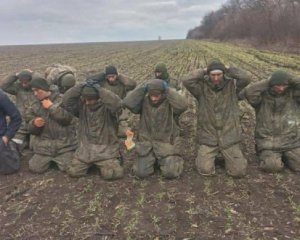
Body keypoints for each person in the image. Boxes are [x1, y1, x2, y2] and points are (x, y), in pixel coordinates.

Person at [183, 59, 250, 177]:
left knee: (239, 172)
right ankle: (211, 155)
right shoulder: (201, 89)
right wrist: (204, 70)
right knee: (204, 170)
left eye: (219, 74)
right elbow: (186, 80)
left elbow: (246, 77)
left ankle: (229, 155)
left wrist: (228, 69)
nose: (216, 78)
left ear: (223, 74)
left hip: (229, 136)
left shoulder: (232, 87)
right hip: (209, 137)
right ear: (208, 74)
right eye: (212, 75)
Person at [123, 79, 188, 179]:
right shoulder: (143, 103)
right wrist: (143, 89)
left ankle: (173, 159)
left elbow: (183, 105)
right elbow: (127, 102)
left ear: (163, 93)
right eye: (151, 95)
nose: (153, 98)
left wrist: (168, 90)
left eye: (157, 95)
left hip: (166, 145)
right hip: (147, 146)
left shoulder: (170, 104)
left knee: (171, 173)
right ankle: (153, 161)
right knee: (141, 173)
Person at [63, 79, 124, 180]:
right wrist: (81, 86)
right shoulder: (81, 108)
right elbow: (66, 101)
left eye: (91, 99)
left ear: (98, 98)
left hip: (106, 152)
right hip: (85, 151)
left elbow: (118, 104)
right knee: (73, 172)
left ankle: (107, 163)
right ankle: (91, 164)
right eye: (85, 99)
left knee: (112, 174)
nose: (87, 102)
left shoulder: (108, 109)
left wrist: (100, 90)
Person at [242, 70, 300, 172]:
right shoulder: (261, 98)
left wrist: (290, 78)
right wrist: (269, 80)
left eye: (284, 85)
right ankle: (272, 157)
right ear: (271, 85)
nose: (281, 89)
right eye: (277, 85)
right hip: (268, 143)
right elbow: (249, 91)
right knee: (272, 167)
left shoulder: (294, 96)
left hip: (291, 142)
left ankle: (287, 157)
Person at [26, 77, 77, 173]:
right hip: (44, 147)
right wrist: (34, 124)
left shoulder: (63, 100)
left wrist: (51, 107)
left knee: (70, 168)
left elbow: (67, 119)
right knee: (35, 168)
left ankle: (60, 159)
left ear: (45, 89)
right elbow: (29, 126)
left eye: (37, 90)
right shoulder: (34, 105)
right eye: (33, 91)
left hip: (65, 146)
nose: (35, 94)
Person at [88, 65, 137, 137]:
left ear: (116, 76)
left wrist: (120, 76)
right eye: (109, 77)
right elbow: (88, 80)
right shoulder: (103, 83)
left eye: (113, 76)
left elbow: (133, 84)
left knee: (125, 132)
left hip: (119, 111)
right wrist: (102, 74)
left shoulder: (122, 84)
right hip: (106, 110)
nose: (111, 79)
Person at [0, 70, 36, 151]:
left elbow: (45, 83)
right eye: (22, 82)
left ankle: (29, 142)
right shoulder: (18, 88)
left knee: (34, 147)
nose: (24, 84)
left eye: (26, 82)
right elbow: (4, 85)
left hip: (35, 124)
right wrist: (16, 75)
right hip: (21, 123)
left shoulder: (36, 89)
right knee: (14, 145)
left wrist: (33, 74)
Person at [0, 89, 22, 174]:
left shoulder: (1, 96)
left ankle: (12, 146)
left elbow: (16, 117)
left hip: (1, 137)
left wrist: (7, 136)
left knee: (10, 168)